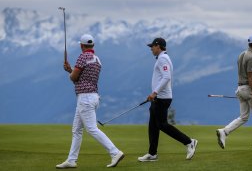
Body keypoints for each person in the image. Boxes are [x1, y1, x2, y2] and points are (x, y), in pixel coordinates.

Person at [56, 34, 124, 169]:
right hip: (93, 96)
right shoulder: (97, 60)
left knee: (92, 129)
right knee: (76, 130)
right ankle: (71, 160)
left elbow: (74, 78)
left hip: (85, 98)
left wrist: (69, 71)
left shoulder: (82, 57)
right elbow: (83, 77)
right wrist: (71, 70)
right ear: (92, 45)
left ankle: (115, 152)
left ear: (81, 45)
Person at [138, 37, 198, 162]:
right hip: (158, 98)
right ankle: (152, 153)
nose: (151, 49)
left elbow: (166, 77)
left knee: (162, 125)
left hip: (162, 98)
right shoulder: (162, 58)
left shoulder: (163, 59)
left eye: (152, 47)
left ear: (158, 46)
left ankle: (189, 142)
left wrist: (154, 92)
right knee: (153, 126)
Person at [216, 35, 252, 150]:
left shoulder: (242, 54)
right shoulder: (251, 57)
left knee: (244, 117)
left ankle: (224, 131)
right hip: (249, 89)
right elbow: (251, 77)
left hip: (240, 89)